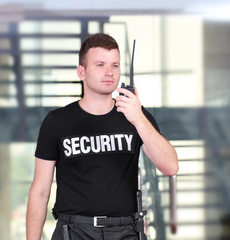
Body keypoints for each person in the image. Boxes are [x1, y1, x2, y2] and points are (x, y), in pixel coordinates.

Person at [26, 33, 179, 240]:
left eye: (115, 65)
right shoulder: (57, 121)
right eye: (100, 65)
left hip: (126, 231)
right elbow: (40, 191)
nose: (109, 72)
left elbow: (171, 167)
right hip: (73, 231)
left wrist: (138, 119)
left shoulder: (135, 115)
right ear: (82, 72)